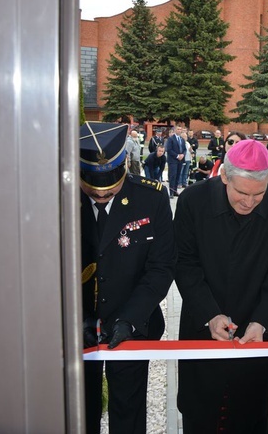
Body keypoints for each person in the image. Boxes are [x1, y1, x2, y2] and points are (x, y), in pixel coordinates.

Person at [174, 139, 268, 433]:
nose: (249, 202)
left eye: (259, 195)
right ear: (223, 177)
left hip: (255, 327)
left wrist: (262, 321)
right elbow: (185, 264)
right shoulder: (192, 201)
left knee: (251, 409)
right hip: (202, 321)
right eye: (242, 192)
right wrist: (210, 314)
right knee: (201, 410)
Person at [79, 121, 175, 434]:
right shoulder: (58, 200)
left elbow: (160, 267)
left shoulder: (152, 198)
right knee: (80, 410)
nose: (100, 193)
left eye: (109, 185)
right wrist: (75, 320)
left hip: (134, 324)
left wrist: (129, 320)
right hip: (76, 330)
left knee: (128, 412)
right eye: (92, 185)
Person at [164, 126, 186, 198]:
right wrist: (177, 156)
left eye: (180, 129)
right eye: (178, 129)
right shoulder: (171, 139)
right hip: (173, 160)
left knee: (177, 176)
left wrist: (182, 155)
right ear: (175, 130)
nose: (179, 130)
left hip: (180, 160)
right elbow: (169, 150)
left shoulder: (182, 139)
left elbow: (184, 149)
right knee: (173, 175)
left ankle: (175, 190)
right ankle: (171, 192)